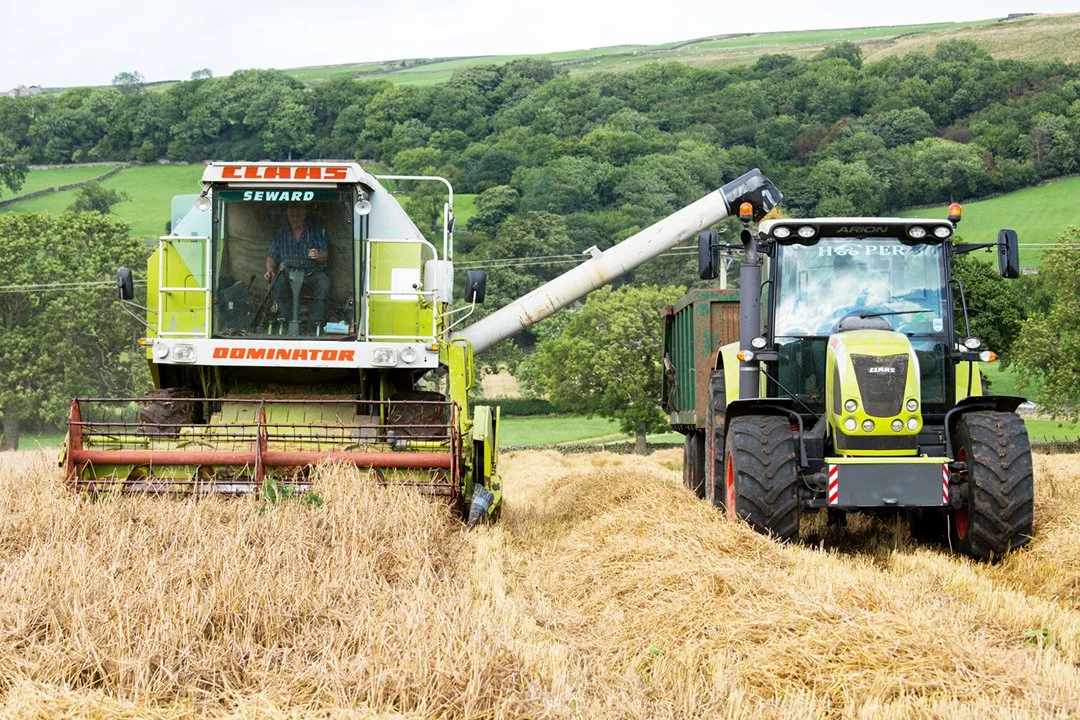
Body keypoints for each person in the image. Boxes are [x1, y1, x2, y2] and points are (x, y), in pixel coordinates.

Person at [265, 204, 331, 330]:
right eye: (292, 216)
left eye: (298, 216)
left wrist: (317, 255)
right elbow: (271, 257)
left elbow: (325, 255)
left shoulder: (314, 232)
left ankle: (314, 324)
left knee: (324, 284)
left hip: (311, 273)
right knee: (277, 284)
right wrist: (269, 270)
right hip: (287, 273)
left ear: (304, 216)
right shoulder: (280, 233)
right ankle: (287, 321)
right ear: (288, 217)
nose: (295, 219)